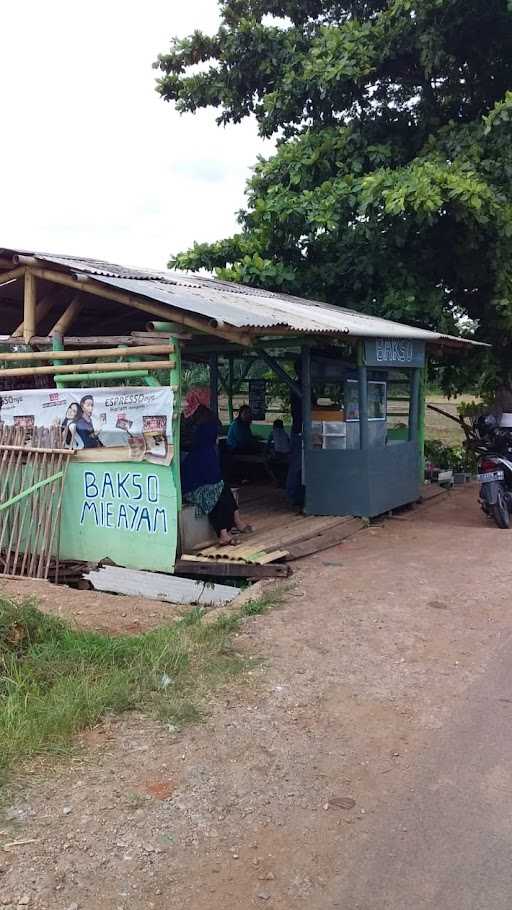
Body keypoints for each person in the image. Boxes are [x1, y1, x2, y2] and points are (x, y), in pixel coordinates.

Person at [181, 405, 253, 545]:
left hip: (204, 485)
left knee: (223, 488)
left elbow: (214, 478)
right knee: (216, 494)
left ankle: (237, 522)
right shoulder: (202, 452)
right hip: (192, 490)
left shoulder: (205, 450)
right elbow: (204, 480)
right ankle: (223, 534)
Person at [286, 359, 305, 509]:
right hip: (299, 431)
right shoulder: (297, 386)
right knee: (297, 466)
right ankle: (293, 496)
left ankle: (298, 495)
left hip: (302, 430)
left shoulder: (303, 385)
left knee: (300, 466)